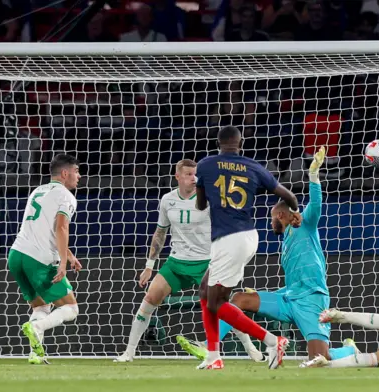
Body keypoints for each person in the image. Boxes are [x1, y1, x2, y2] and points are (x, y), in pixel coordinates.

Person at [178, 147, 359, 362]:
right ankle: (210, 347)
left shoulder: (305, 223)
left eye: (273, 218)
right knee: (239, 299)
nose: (271, 222)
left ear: (281, 215)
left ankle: (350, 349)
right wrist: (274, 292)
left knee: (320, 357)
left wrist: (313, 176)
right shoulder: (287, 240)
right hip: (289, 298)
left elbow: (316, 205)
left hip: (312, 301)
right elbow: (296, 281)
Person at [194, 125, 302, 369]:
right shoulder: (253, 167)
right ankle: (213, 355)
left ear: (218, 142)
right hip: (248, 236)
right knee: (205, 291)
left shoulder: (206, 165)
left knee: (216, 303)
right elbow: (290, 196)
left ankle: (273, 341)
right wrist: (294, 212)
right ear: (239, 143)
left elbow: (201, 206)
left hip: (229, 239)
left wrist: (207, 189)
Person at [115, 160, 214, 362]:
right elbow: (160, 233)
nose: (193, 178)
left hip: (205, 262)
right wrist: (149, 266)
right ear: (177, 176)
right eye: (188, 174)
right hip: (176, 262)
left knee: (220, 306)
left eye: (195, 174)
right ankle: (129, 352)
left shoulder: (208, 198)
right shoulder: (168, 199)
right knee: (150, 299)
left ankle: (250, 348)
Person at [8, 154, 82, 364]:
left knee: (41, 307)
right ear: (65, 173)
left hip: (16, 255)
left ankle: (35, 354)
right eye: (76, 172)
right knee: (71, 308)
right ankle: (37, 327)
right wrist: (63, 263)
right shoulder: (66, 196)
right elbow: (60, 227)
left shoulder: (37, 191)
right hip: (38, 258)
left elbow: (45, 228)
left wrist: (69, 255)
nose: (79, 176)